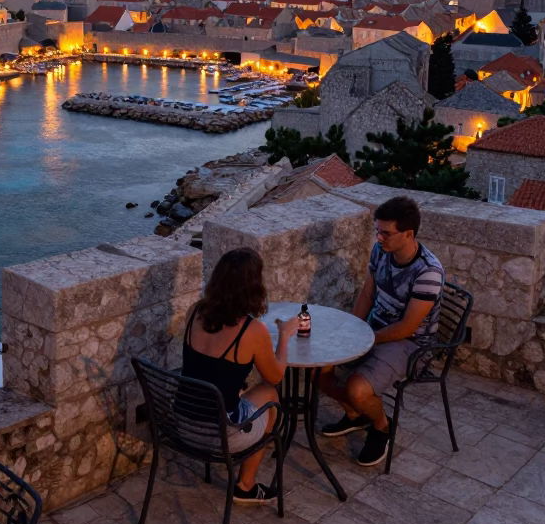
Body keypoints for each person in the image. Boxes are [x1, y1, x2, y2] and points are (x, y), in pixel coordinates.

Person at [318, 195, 446, 466]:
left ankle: (381, 426)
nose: (379, 238)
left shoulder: (428, 272)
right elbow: (367, 293)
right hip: (374, 328)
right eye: (378, 231)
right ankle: (355, 415)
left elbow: (407, 327)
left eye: (386, 233)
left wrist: (364, 339)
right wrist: (351, 330)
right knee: (319, 369)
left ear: (408, 234)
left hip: (411, 343)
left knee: (356, 389)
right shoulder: (381, 251)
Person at [182, 247, 300, 505]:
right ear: (254, 287)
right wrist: (284, 335)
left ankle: (247, 476)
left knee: (247, 392)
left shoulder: (194, 312)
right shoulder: (252, 330)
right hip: (219, 435)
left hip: (181, 425)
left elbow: (207, 366)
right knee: (270, 395)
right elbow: (275, 376)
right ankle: (246, 485)